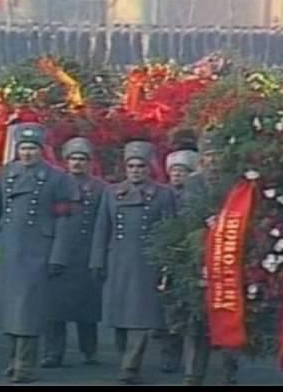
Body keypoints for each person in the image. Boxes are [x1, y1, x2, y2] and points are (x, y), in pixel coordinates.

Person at [0, 123, 71, 383]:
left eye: (32, 148)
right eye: (23, 148)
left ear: (42, 150)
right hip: (8, 249)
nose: (27, 153)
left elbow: (64, 221)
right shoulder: (7, 173)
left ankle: (24, 364)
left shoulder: (57, 178)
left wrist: (58, 256)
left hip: (38, 250)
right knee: (7, 308)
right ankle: (13, 357)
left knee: (28, 310)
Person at [89, 140, 176, 384]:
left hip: (147, 262)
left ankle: (130, 365)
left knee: (141, 316)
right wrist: (97, 260)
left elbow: (169, 229)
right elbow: (101, 229)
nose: (136, 170)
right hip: (117, 260)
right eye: (131, 166)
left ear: (149, 168)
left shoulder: (163, 194)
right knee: (119, 317)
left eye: (141, 166)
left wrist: (167, 263)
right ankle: (125, 358)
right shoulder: (111, 192)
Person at [179, 132, 240, 386]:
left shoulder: (234, 182)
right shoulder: (193, 183)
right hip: (199, 254)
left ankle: (229, 372)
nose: (213, 161)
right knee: (196, 318)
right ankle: (193, 373)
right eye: (208, 156)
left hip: (230, 254)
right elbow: (187, 211)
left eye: (217, 156)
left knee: (229, 314)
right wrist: (206, 221)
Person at [42, 138, 105, 368]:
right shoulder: (54, 183)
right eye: (73, 159)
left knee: (87, 308)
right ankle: (53, 352)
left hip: (87, 252)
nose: (77, 163)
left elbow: (103, 223)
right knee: (53, 309)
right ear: (66, 161)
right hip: (57, 252)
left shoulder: (100, 188)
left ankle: (89, 351)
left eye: (82, 159)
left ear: (89, 162)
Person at [159, 147, 199, 374]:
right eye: (173, 171)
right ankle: (170, 355)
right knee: (169, 310)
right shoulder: (162, 194)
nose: (177, 175)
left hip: (191, 255)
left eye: (182, 171)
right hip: (169, 256)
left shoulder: (197, 197)